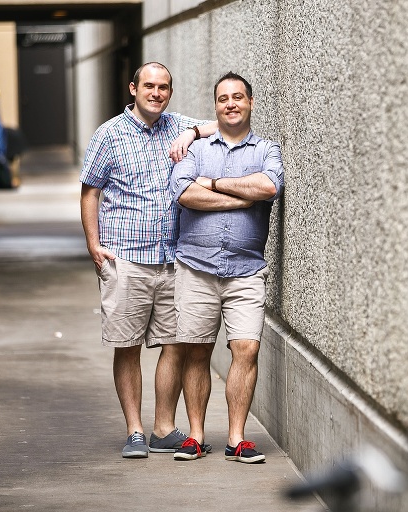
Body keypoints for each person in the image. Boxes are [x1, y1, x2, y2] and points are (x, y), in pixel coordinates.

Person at [80, 62, 217, 458]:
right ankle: (135, 431)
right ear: (133, 89)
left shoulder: (178, 126)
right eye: (150, 86)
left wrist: (192, 133)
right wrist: (93, 245)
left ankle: (163, 428)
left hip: (173, 259)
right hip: (125, 258)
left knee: (175, 344)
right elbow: (90, 192)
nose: (157, 93)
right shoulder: (109, 134)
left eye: (164, 87)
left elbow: (225, 126)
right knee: (127, 346)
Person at [169, 72, 284, 462]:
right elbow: (185, 193)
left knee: (246, 349)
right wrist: (242, 196)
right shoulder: (196, 149)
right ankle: (196, 436)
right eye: (223, 98)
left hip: (246, 270)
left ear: (251, 102)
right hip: (195, 268)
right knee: (196, 352)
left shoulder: (266, 150)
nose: (231, 103)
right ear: (215, 106)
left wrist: (214, 183)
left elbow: (268, 187)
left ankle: (237, 439)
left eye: (238, 97)